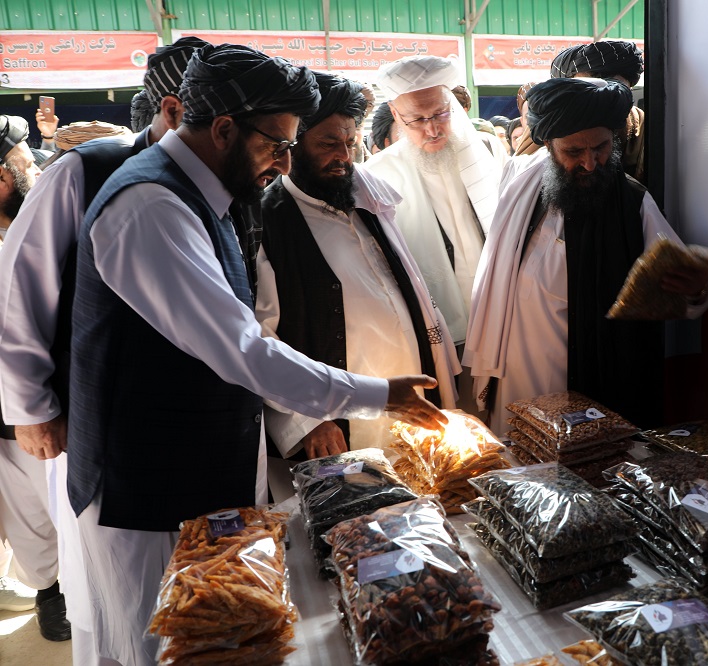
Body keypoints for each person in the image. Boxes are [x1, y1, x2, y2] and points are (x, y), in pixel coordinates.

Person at [66, 44, 445, 666]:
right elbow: (242, 349)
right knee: (166, 645)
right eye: (277, 144)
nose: (284, 162)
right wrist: (379, 394)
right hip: (147, 488)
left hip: (193, 470)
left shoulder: (202, 195)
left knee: (221, 641)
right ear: (223, 130)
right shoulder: (151, 207)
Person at [0, 37, 212, 665]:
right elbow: (20, 289)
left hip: (194, 419)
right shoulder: (85, 171)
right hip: (94, 421)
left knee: (208, 588)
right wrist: (30, 407)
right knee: (117, 596)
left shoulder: (225, 176)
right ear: (173, 111)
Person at [464, 78, 708, 434]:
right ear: (549, 146)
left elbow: (677, 277)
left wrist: (695, 287)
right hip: (517, 370)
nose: (590, 163)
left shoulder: (634, 204)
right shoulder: (522, 188)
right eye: (574, 152)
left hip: (593, 375)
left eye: (601, 148)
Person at [256, 75, 460, 490]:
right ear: (294, 143)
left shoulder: (367, 198)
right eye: (328, 144)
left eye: (351, 142)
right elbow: (261, 336)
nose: (344, 157)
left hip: (406, 394)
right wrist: (309, 419)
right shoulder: (269, 220)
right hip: (341, 417)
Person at [364, 55, 500, 349]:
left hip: (498, 311)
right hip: (432, 326)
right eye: (417, 119)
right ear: (395, 113)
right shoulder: (378, 173)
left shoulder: (485, 153)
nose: (433, 129)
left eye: (440, 114)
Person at [0, 113, 69, 643]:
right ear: (3, 177)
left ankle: (62, 593)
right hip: (18, 417)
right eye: (26, 161)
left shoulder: (36, 228)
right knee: (31, 517)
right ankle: (52, 595)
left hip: (49, 408)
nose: (35, 168)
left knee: (58, 513)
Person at [551, 40, 646, 183]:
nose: (602, 105)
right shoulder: (548, 128)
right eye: (589, 95)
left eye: (615, 95)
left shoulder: (648, 130)